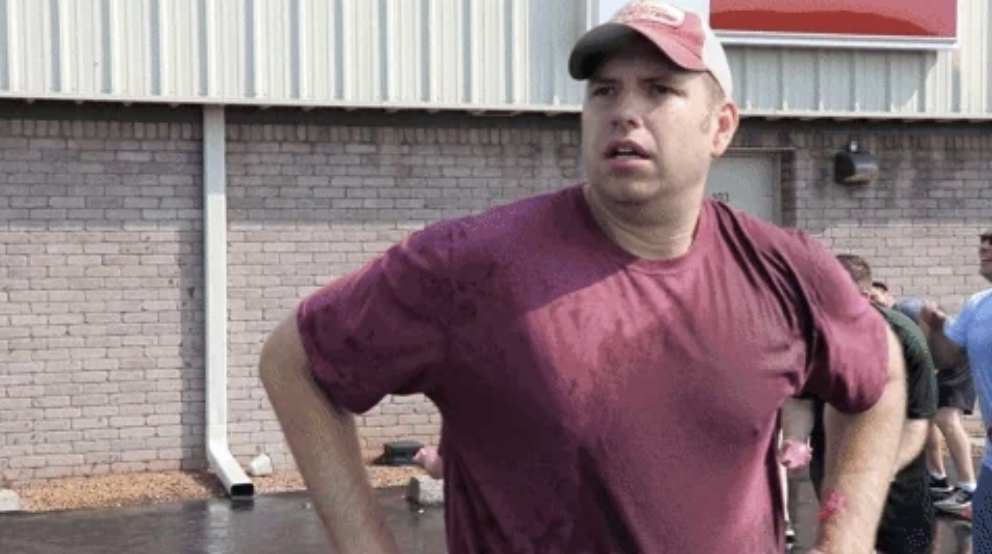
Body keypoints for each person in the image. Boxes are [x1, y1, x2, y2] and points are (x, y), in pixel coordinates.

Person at [258, 1, 909, 552]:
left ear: (720, 127)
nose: (624, 111)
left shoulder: (787, 271)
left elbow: (882, 376)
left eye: (659, 89)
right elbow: (295, 362)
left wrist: (846, 537)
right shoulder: (471, 265)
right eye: (604, 91)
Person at [806, 255, 937, 554]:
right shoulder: (813, 335)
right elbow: (800, 400)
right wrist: (795, 439)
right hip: (832, 466)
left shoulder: (904, 337)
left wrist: (877, 472)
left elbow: (918, 421)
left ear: (864, 298)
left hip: (897, 477)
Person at [920, 229, 992, 549]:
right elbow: (947, 358)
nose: (984, 248)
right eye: (983, 243)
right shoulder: (978, 304)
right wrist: (936, 329)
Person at [894, 297, 978, 514]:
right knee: (929, 418)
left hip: (959, 361)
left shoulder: (906, 315)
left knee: (946, 419)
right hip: (944, 363)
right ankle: (938, 478)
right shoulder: (898, 316)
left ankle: (969, 489)